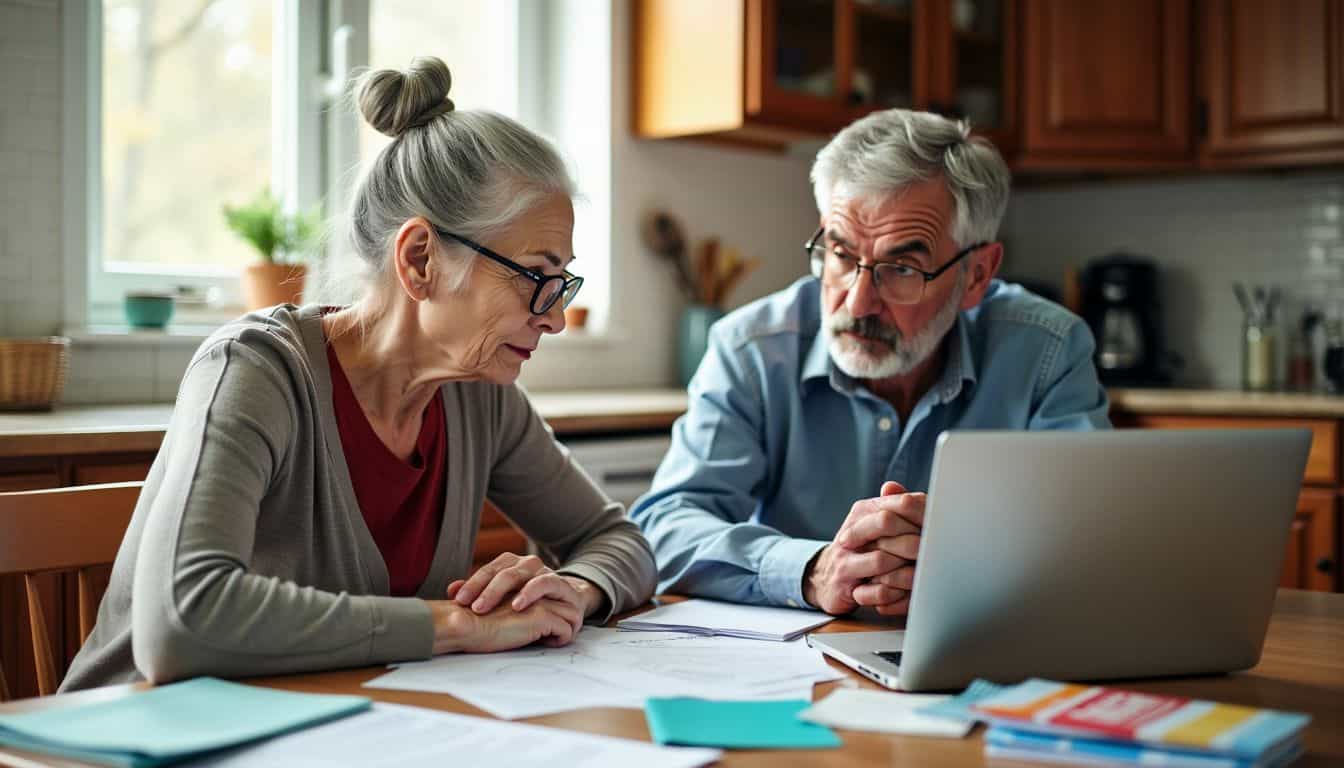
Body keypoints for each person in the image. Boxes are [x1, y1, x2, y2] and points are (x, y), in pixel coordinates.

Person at [62, 57, 656, 690]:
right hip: (129, 738)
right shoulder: (257, 371)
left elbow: (617, 540)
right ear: (420, 258)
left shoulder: (480, 396)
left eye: (560, 283)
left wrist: (574, 587)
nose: (556, 319)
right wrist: (453, 625)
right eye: (537, 277)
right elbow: (182, 622)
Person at [630, 109, 1109, 619]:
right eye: (840, 253)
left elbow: (1094, 536)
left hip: (987, 646)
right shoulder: (752, 349)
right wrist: (813, 570)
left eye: (901, 268)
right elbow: (667, 526)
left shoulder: (1047, 351)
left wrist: (969, 557)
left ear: (976, 275)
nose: (858, 303)